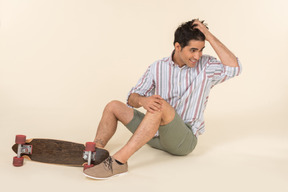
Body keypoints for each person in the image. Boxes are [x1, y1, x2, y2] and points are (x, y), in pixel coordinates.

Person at [83, 19, 242, 179]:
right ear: (178, 46)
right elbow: (132, 98)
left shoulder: (206, 66)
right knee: (113, 106)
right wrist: (143, 101)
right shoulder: (157, 67)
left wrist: (208, 35)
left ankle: (118, 162)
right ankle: (96, 151)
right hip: (153, 134)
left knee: (160, 106)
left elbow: (234, 68)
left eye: (201, 50)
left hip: (183, 141)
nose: (197, 56)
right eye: (193, 50)